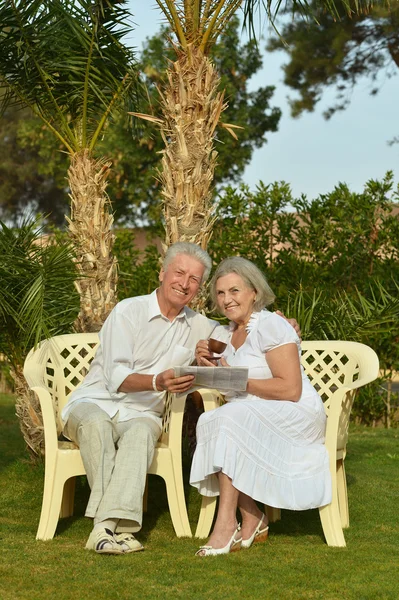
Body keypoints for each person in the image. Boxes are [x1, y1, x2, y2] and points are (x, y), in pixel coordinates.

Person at [61, 242, 229, 555]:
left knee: (139, 433)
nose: (184, 283)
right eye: (179, 273)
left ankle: (102, 529)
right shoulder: (129, 310)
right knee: (97, 425)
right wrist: (157, 380)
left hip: (142, 414)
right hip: (94, 401)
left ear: (199, 287)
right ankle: (118, 527)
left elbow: (235, 334)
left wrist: (276, 325)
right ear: (163, 272)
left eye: (194, 279)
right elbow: (117, 378)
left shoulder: (198, 325)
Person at [190, 257, 331, 556]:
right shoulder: (223, 335)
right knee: (213, 420)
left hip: (295, 411)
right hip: (250, 410)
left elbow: (291, 389)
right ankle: (252, 515)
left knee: (230, 418)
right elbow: (221, 388)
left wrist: (239, 382)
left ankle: (226, 524)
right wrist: (204, 364)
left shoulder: (272, 325)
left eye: (234, 291)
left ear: (255, 292)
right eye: (221, 293)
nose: (227, 300)